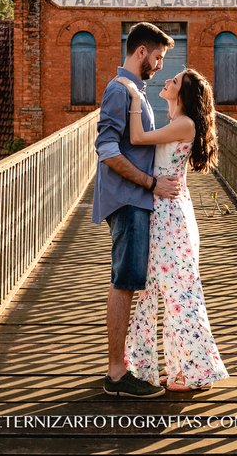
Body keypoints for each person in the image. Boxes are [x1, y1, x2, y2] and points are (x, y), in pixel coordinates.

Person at [114, 67, 228, 392]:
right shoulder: (178, 123)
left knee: (177, 293)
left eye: (174, 81)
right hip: (168, 212)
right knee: (161, 290)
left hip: (170, 217)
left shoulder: (184, 124)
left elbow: (137, 138)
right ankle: (177, 370)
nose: (167, 81)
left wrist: (135, 96)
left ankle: (193, 373)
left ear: (183, 94)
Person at [94, 22, 181, 398]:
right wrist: (150, 183)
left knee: (128, 281)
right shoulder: (120, 89)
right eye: (159, 57)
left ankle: (122, 367)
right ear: (141, 51)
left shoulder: (135, 91)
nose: (161, 65)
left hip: (135, 198)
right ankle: (116, 375)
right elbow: (107, 149)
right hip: (129, 198)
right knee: (124, 282)